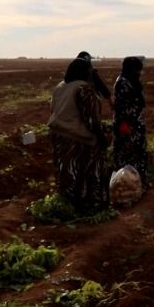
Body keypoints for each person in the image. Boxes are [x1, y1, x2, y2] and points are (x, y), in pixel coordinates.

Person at [48, 57, 109, 211]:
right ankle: (87, 204)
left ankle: (66, 205)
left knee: (65, 171)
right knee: (84, 171)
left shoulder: (60, 87)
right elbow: (91, 119)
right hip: (76, 138)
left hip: (58, 134)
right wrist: (101, 138)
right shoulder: (84, 89)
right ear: (85, 72)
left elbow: (53, 109)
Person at [113, 56, 148, 189]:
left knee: (138, 155)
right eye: (138, 70)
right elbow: (120, 107)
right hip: (126, 126)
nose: (139, 73)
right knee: (126, 155)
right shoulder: (122, 82)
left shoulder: (131, 80)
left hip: (136, 125)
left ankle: (138, 184)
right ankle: (125, 187)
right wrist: (123, 124)